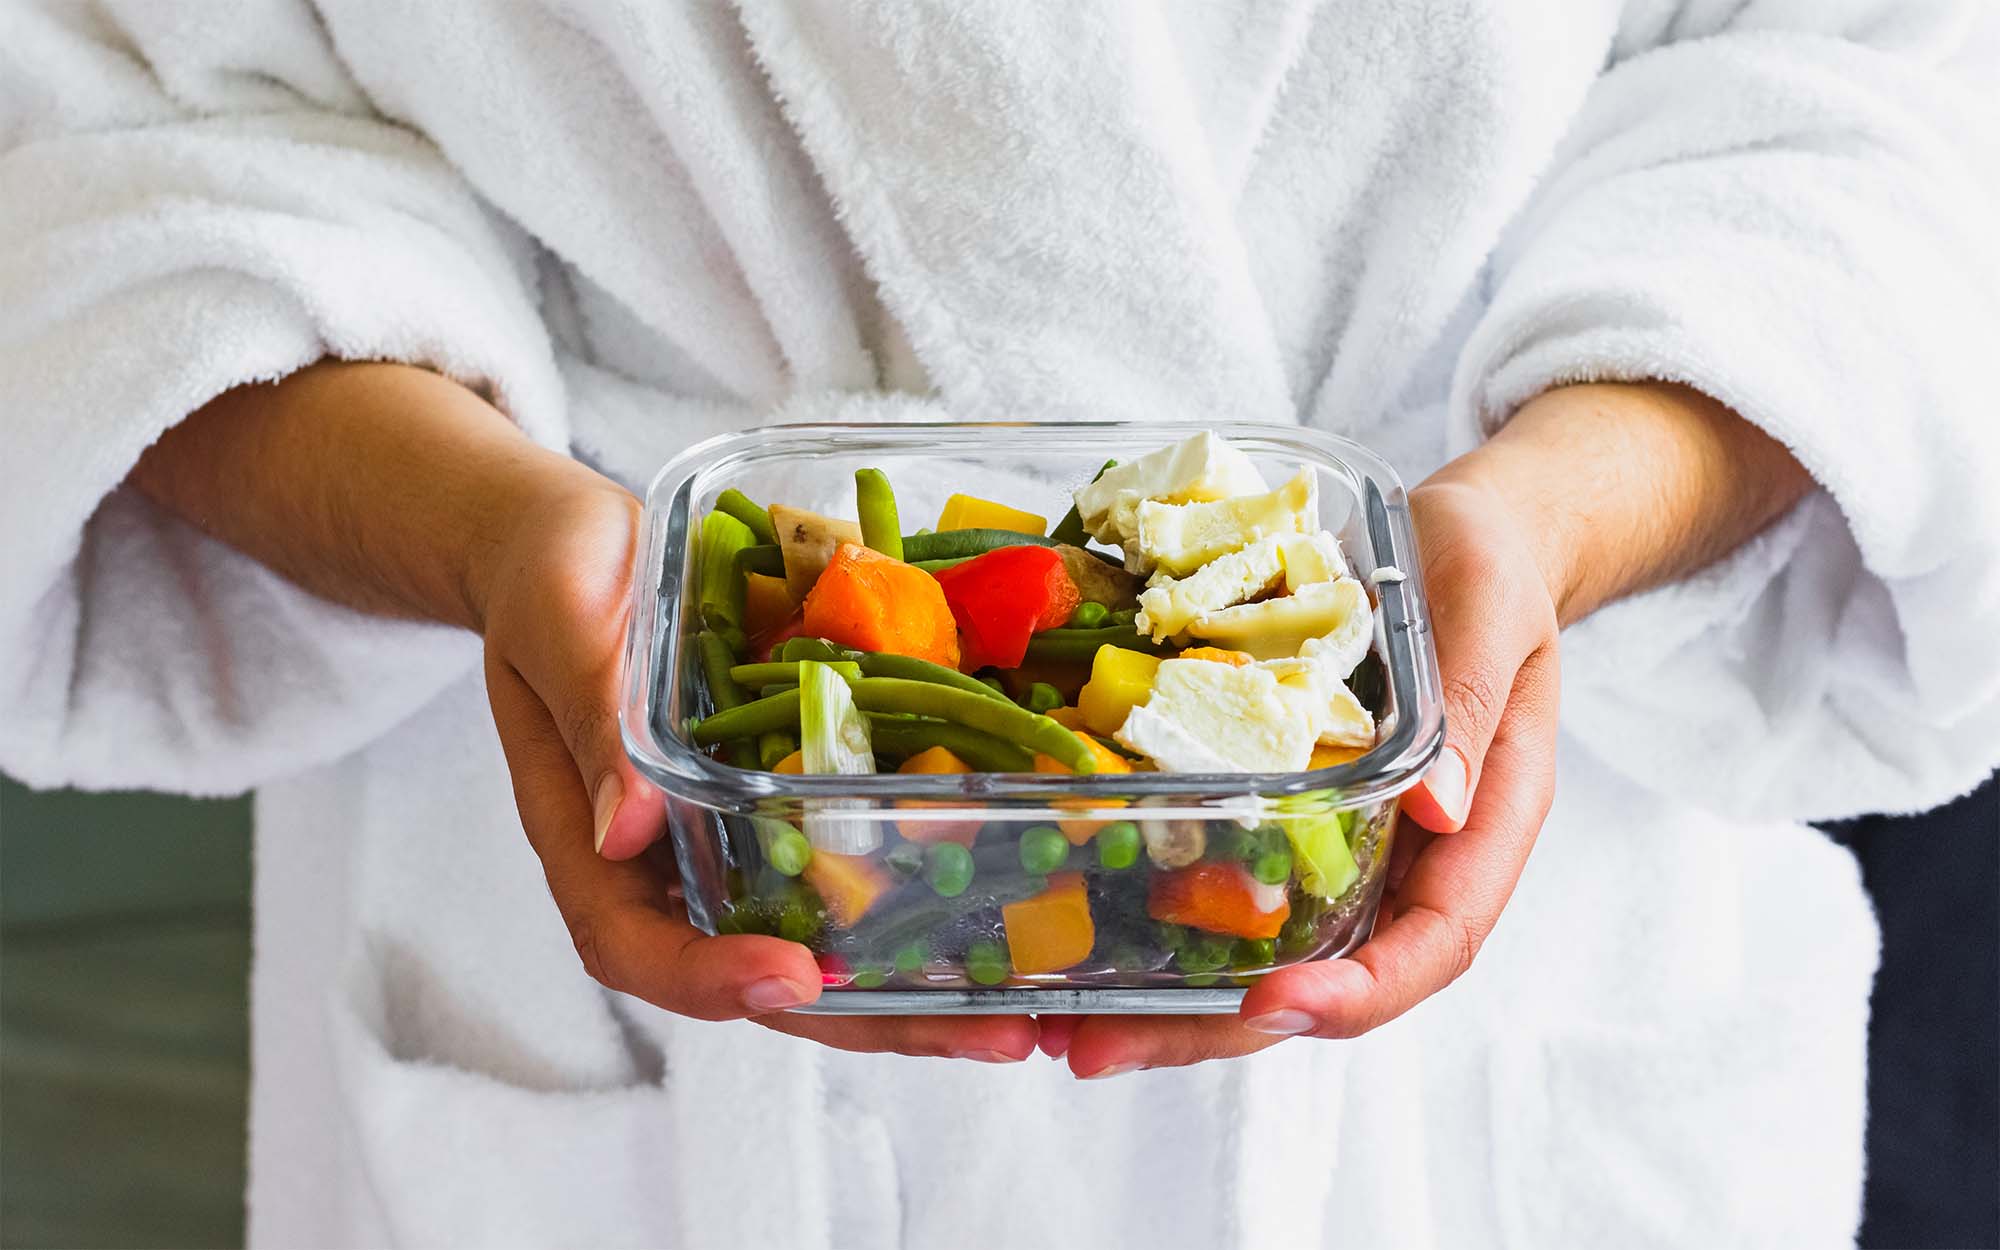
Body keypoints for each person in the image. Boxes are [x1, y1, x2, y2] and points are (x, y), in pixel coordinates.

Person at [4, 3, 1997, 1246]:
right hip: (639, 815)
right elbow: (106, 178)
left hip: (1469, 846)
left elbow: (1889, 118)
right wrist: (497, 537)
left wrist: (1554, 514)